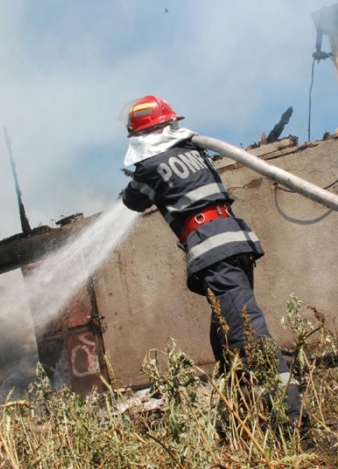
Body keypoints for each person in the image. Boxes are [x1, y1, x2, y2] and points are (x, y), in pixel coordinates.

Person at [119, 95, 308, 432]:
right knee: (224, 338)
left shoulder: (148, 169)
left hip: (212, 250)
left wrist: (128, 187)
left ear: (141, 136)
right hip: (236, 242)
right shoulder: (194, 150)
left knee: (250, 335)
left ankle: (292, 422)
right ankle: (235, 424)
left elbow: (133, 201)